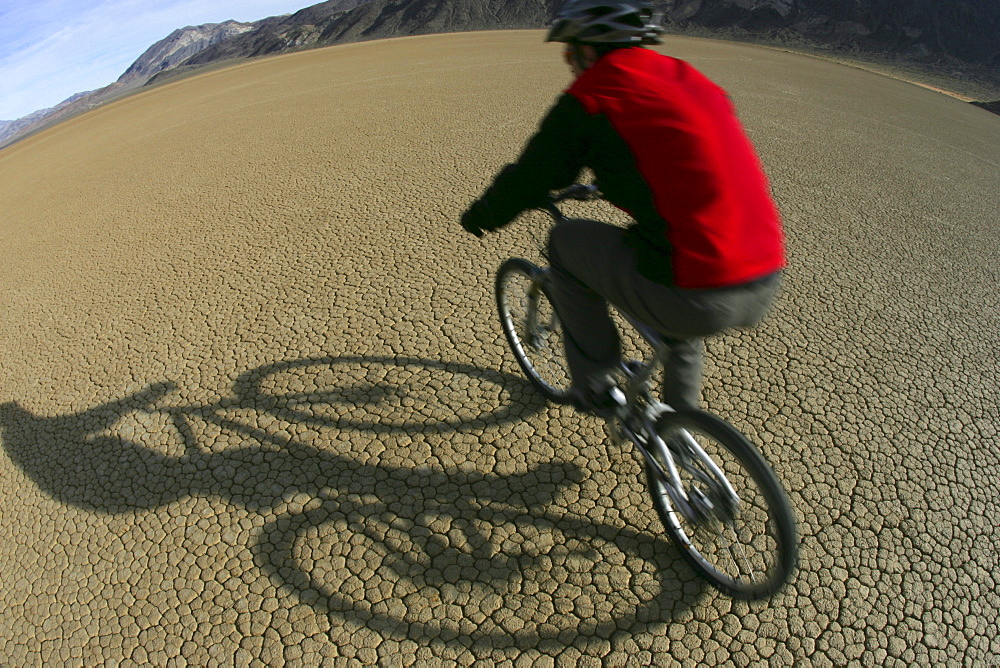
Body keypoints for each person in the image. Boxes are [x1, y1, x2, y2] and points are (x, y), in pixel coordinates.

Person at [461, 0, 786, 415]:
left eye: (569, 54)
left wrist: (483, 214)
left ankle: (595, 385)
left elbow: (533, 176)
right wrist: (607, 183)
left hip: (694, 294)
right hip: (763, 275)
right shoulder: (691, 81)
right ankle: (679, 433)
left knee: (563, 242)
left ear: (589, 50)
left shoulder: (596, 94)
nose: (571, 64)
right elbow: (678, 161)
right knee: (679, 318)